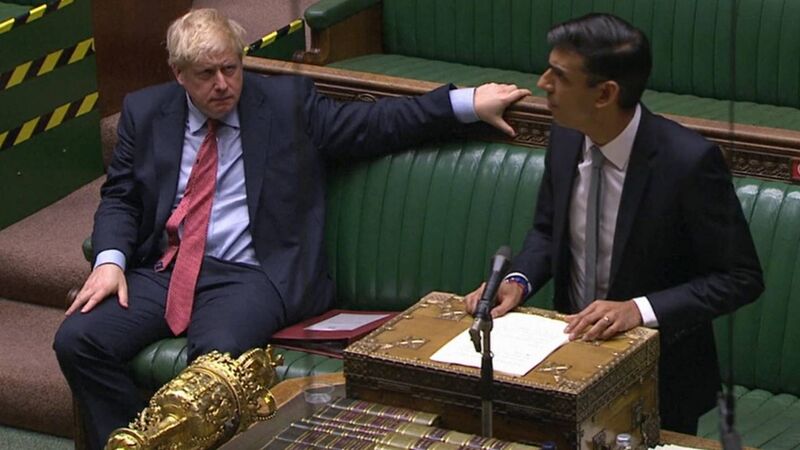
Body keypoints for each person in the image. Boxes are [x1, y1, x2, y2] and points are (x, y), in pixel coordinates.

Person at [53, 8, 530, 449]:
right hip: (167, 268)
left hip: (250, 274)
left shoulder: (286, 104)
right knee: (77, 340)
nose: (222, 84)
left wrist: (466, 103)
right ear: (178, 74)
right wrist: (110, 261)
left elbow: (377, 122)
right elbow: (120, 197)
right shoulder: (145, 113)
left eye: (231, 68)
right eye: (206, 74)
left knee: (214, 365)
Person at [464, 13, 763, 434]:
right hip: (571, 361)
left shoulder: (688, 163)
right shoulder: (567, 135)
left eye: (559, 76)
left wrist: (638, 310)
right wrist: (518, 280)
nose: (543, 83)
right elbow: (549, 232)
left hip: (660, 377)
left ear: (605, 93)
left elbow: (740, 277)